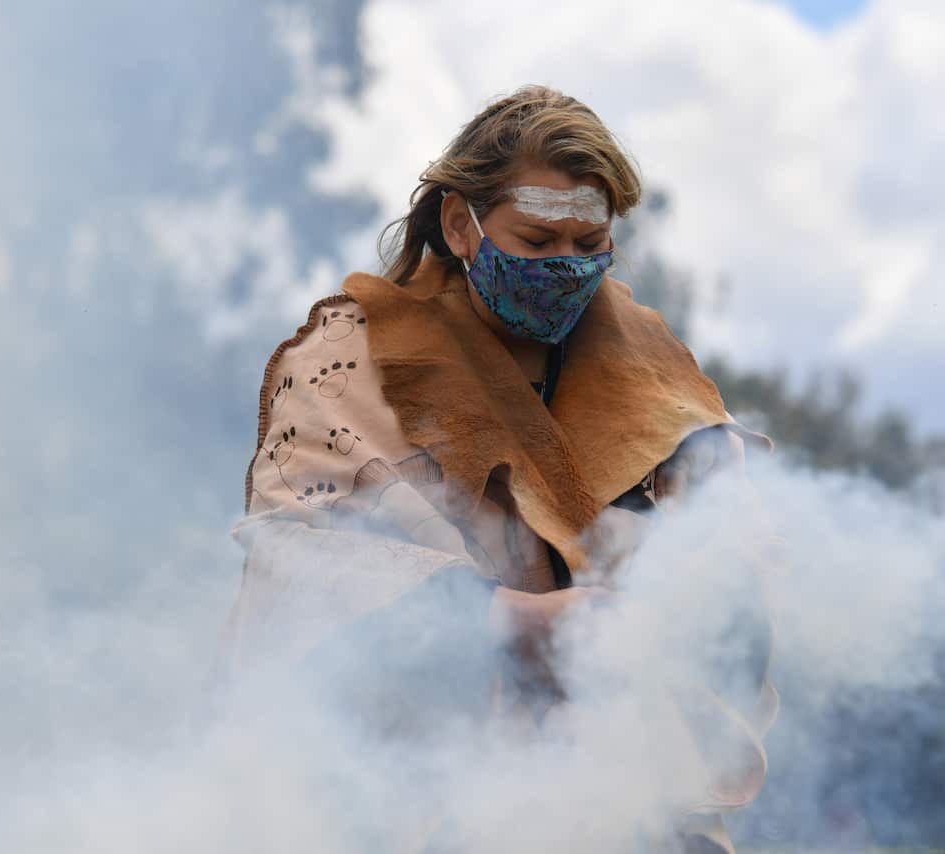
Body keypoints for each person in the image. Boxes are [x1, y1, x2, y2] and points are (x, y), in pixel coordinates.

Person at [220, 85, 779, 853]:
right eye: (538, 240)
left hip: (631, 812)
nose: (566, 267)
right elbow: (299, 565)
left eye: (589, 246)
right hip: (422, 818)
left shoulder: (656, 377)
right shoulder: (351, 362)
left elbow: (736, 585)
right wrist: (507, 623)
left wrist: (663, 588)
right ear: (461, 224)